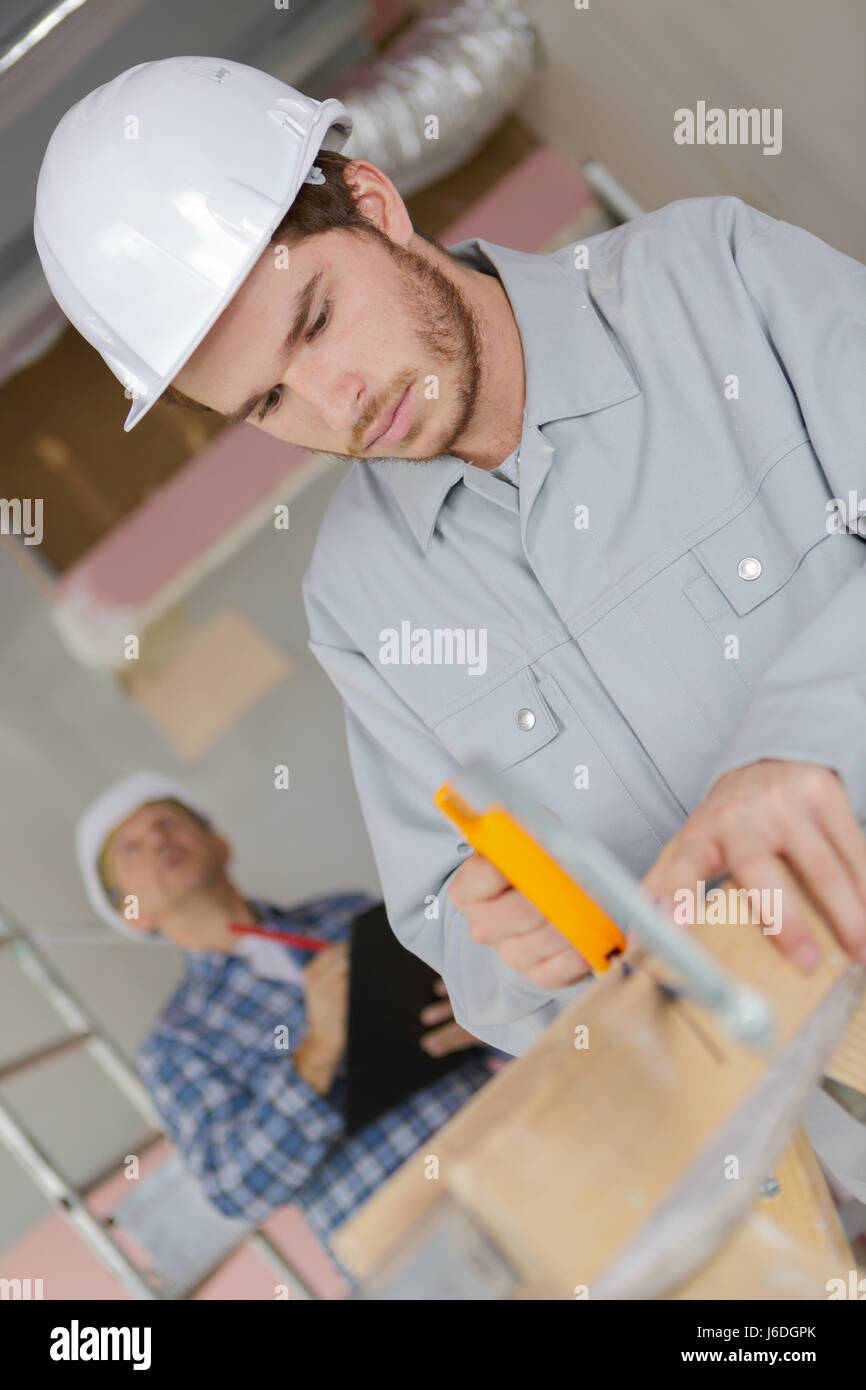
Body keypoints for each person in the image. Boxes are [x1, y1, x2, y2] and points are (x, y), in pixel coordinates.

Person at [39, 58, 866, 1059]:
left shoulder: (711, 281)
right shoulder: (358, 604)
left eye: (317, 319)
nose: (335, 401)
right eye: (268, 402)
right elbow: (458, 949)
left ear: (375, 206)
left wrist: (806, 737)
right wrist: (517, 954)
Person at [75, 772, 493, 1256]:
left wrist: (482, 1017)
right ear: (134, 915)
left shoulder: (345, 912)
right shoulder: (175, 1044)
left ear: (219, 843)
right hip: (403, 1238)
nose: (159, 841)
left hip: (505, 1132)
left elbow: (489, 984)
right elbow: (237, 1191)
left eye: (167, 822)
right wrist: (318, 1050)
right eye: (131, 848)